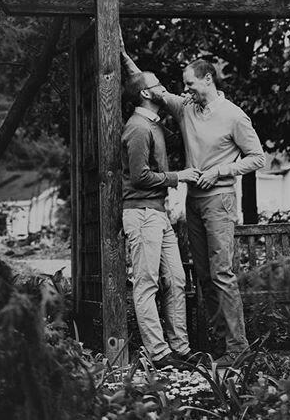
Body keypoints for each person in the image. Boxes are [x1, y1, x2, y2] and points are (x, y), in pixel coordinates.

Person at [121, 45, 265, 367]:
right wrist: (122, 53)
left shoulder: (234, 116)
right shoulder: (186, 107)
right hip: (194, 202)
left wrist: (221, 170)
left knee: (222, 274)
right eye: (183, 86)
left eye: (190, 84)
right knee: (203, 276)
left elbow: (258, 158)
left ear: (208, 80)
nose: (184, 90)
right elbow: (146, 86)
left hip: (220, 201)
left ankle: (238, 348)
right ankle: (221, 345)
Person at [121, 70, 201, 369]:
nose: (165, 88)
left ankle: (180, 348)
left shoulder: (154, 126)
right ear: (144, 93)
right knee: (147, 283)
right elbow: (140, 177)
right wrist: (177, 177)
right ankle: (158, 353)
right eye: (158, 85)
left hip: (158, 213)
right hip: (141, 213)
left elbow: (181, 134)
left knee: (177, 280)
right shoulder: (138, 129)